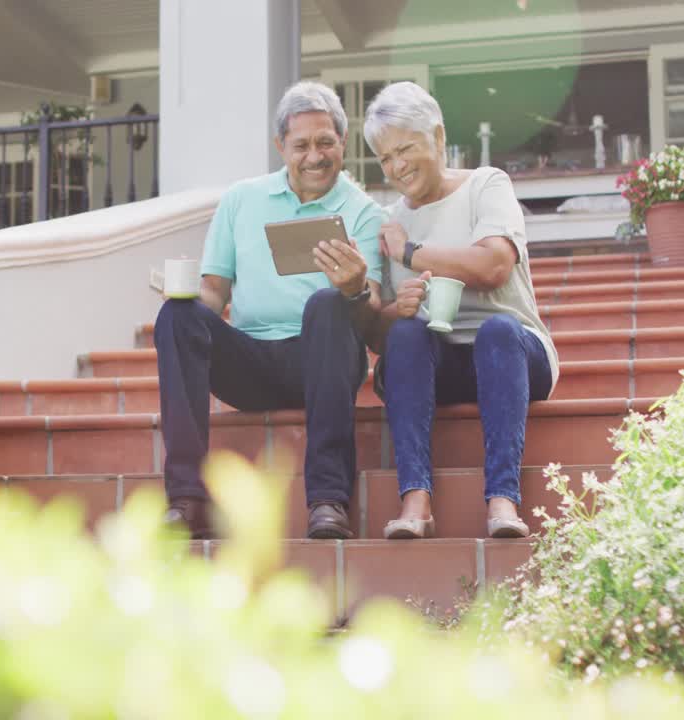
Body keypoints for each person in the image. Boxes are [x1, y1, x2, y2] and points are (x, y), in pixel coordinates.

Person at [154, 81, 385, 540]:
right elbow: (215, 291)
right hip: (251, 363)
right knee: (177, 316)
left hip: (322, 362)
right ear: (281, 146)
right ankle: (186, 499)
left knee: (328, 304)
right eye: (301, 145)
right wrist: (182, 303)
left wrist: (355, 285)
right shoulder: (242, 199)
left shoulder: (364, 211)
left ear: (343, 142)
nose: (314, 155)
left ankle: (328, 501)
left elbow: (373, 302)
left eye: (326, 142)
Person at [361, 82, 560, 540]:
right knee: (407, 336)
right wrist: (397, 309)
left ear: (437, 135)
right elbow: (380, 336)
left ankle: (503, 499)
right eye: (386, 158)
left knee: (497, 330)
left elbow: (493, 264)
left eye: (406, 149)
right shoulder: (389, 220)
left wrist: (411, 253)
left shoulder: (486, 185)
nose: (397, 166)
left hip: (512, 354)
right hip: (440, 360)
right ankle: (415, 499)